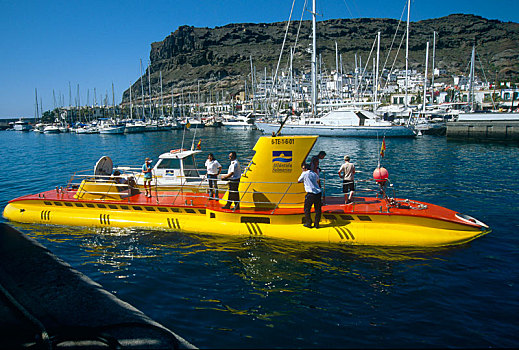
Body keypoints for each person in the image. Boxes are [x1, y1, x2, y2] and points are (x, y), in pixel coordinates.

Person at [298, 163, 322, 229]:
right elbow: (318, 180)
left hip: (311, 194)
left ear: (305, 168)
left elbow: (299, 180)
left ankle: (309, 223)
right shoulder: (314, 173)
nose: (302, 170)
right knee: (318, 209)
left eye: (303, 168)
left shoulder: (304, 173)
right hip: (318, 193)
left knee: (307, 209)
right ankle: (317, 224)